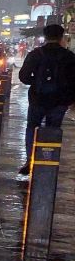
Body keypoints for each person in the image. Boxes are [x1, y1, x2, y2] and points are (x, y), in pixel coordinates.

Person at [18, 23, 75, 175]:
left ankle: (30, 159)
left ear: (46, 37)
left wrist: (36, 82)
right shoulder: (69, 56)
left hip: (38, 99)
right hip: (59, 102)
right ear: (61, 37)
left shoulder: (36, 54)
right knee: (53, 129)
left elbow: (23, 76)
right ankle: (49, 160)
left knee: (32, 127)